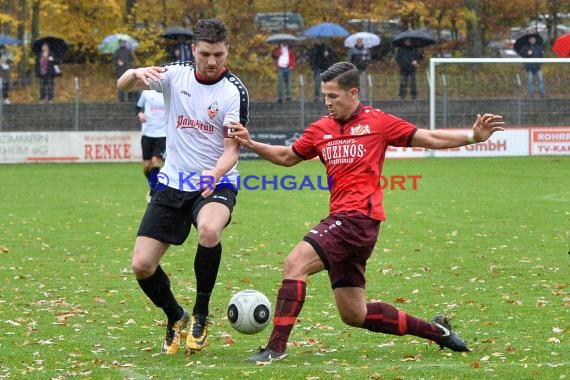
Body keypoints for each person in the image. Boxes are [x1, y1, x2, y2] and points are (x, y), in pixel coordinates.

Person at [230, 62, 504, 363]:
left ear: (353, 93)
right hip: (346, 223)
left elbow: (429, 138)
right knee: (354, 314)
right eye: (324, 96)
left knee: (295, 263)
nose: (328, 102)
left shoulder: (379, 122)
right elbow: (286, 156)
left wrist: (472, 137)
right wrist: (251, 143)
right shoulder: (320, 130)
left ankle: (275, 349)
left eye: (333, 96)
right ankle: (437, 331)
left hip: (357, 220)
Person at [117, 18, 249, 355]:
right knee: (141, 265)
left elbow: (232, 148)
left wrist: (215, 173)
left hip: (215, 181)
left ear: (227, 50)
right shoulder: (174, 74)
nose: (212, 61)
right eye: (205, 53)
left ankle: (201, 315)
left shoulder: (234, 91)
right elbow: (123, 84)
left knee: (209, 229)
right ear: (193, 50)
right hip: (173, 182)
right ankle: (175, 316)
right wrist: (136, 73)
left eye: (218, 54)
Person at [135, 89, 167, 203]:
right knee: (147, 166)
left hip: (163, 135)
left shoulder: (169, 93)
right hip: (147, 134)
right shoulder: (146, 94)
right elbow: (137, 107)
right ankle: (155, 183)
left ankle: (153, 192)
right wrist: (140, 114)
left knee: (155, 162)